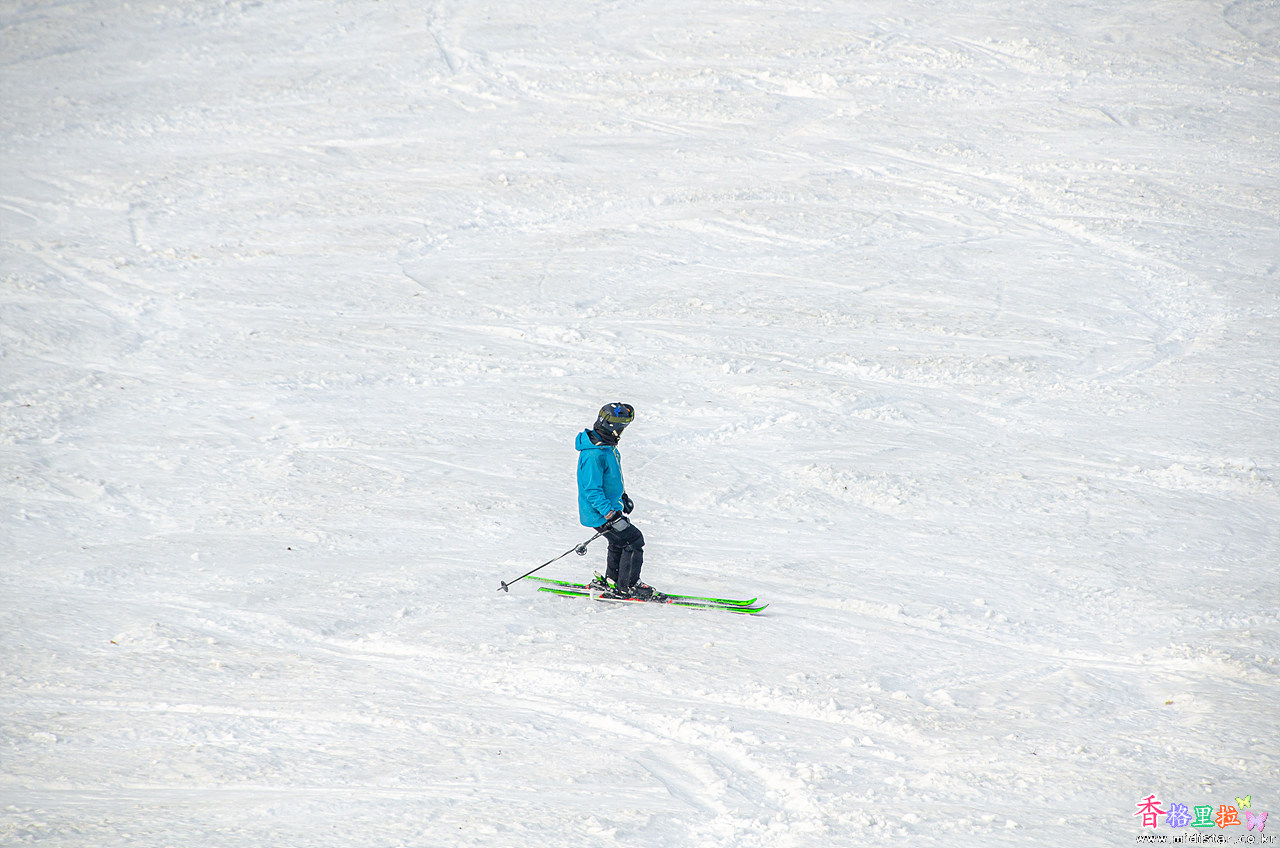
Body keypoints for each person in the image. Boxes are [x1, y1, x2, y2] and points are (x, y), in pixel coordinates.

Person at [575, 402, 665, 601]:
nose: (623, 432)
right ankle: (628, 586)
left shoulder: (607, 448)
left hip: (608, 507)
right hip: (599, 511)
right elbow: (592, 490)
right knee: (633, 540)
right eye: (622, 427)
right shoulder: (593, 454)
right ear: (613, 428)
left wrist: (622, 497)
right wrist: (611, 515)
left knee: (618, 541)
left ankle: (613, 580)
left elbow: (612, 479)